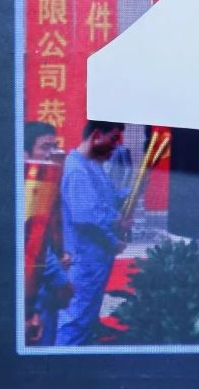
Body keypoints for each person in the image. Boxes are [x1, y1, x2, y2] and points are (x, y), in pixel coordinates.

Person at [56, 120, 130, 344]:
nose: (116, 146)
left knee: (86, 316)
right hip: (83, 261)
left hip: (95, 258)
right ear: (96, 135)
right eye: (113, 139)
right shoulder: (77, 170)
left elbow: (107, 200)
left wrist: (133, 191)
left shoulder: (93, 166)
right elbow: (84, 215)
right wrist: (116, 222)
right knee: (75, 320)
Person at [23, 121, 72, 346]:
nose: (52, 153)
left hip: (46, 277)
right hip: (34, 284)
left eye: (54, 146)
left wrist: (62, 253)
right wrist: (60, 278)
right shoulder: (27, 186)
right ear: (25, 152)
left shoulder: (50, 180)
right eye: (44, 147)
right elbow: (30, 241)